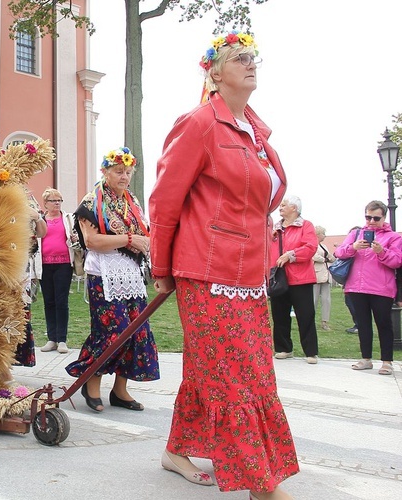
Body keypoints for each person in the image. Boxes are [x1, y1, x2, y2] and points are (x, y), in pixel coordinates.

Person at [149, 31, 297, 499]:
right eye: (240, 57)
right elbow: (165, 201)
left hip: (250, 271)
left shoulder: (255, 132)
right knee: (235, 372)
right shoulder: (198, 124)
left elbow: (260, 201)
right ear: (214, 71)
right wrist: (162, 267)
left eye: (254, 57)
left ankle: (176, 449)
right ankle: (260, 482)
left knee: (225, 368)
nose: (251, 63)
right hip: (206, 270)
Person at [66, 147, 159, 413]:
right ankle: (91, 384)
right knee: (111, 332)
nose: (124, 177)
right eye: (119, 171)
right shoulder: (92, 201)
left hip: (130, 274)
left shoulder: (133, 201)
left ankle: (120, 390)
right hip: (103, 274)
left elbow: (146, 233)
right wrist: (131, 239)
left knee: (136, 332)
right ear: (105, 171)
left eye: (128, 172)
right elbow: (92, 241)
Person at [335, 201, 402, 376]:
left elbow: (397, 261)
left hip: (381, 288)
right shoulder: (356, 233)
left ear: (384, 217)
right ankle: (366, 359)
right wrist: (353, 247)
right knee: (363, 324)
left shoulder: (394, 237)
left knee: (384, 324)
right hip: (356, 287)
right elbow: (339, 253)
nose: (371, 221)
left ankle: (387, 361)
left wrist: (382, 252)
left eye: (376, 218)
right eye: (368, 217)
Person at [270, 196, 319, 363]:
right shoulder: (275, 228)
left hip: (301, 278)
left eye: (284, 205)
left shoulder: (306, 225)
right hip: (279, 277)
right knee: (279, 314)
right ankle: (283, 348)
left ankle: (311, 352)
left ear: (294, 208)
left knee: (305, 315)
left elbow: (310, 247)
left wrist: (291, 255)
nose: (280, 207)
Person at [39, 188, 77, 354]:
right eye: (53, 200)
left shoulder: (68, 219)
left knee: (61, 302)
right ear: (45, 203)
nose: (57, 203)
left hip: (63, 264)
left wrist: (75, 237)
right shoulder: (40, 220)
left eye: (59, 200)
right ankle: (51, 339)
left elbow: (77, 235)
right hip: (45, 264)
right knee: (49, 301)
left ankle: (62, 339)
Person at [14, 191, 45, 367]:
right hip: (4, 260)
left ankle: (18, 360)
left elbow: (42, 233)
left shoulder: (28, 196)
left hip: (24, 264)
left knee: (22, 311)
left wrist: (37, 217)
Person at [312, 225, 335, 330]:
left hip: (326, 275)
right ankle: (310, 320)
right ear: (318, 234)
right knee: (314, 299)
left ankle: (325, 321)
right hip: (316, 275)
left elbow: (331, 258)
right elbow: (313, 256)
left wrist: (328, 258)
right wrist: (325, 259)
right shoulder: (312, 244)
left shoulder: (324, 246)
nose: (325, 236)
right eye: (323, 234)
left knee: (326, 300)